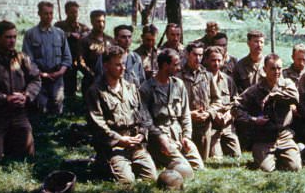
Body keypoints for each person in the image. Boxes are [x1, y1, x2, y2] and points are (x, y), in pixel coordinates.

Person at [86, 46, 157, 184]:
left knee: (151, 178)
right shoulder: (96, 91)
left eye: (123, 64)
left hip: (135, 144)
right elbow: (98, 124)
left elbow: (143, 115)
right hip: (114, 146)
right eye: (118, 65)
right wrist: (120, 140)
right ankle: (103, 164)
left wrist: (142, 134)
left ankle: (129, 165)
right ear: (106, 66)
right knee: (127, 182)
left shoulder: (131, 88)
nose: (123, 68)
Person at [0, 21, 41, 160]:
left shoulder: (22, 58)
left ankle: (11, 143)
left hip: (18, 113)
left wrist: (26, 96)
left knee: (28, 155)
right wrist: (4, 98)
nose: (12, 41)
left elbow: (35, 79)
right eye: (8, 37)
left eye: (14, 37)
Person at [139, 49, 204, 178]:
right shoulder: (146, 89)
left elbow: (185, 113)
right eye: (175, 64)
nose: (179, 68)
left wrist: (186, 136)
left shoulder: (178, 84)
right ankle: (159, 158)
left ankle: (166, 160)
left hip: (178, 134)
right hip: (160, 137)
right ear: (164, 65)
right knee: (185, 170)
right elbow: (146, 120)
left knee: (199, 167)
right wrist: (160, 138)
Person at [234, 54, 301, 172]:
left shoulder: (287, 84)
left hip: (284, 135)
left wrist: (274, 95)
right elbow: (236, 108)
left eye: (279, 68)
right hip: (264, 137)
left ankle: (285, 155)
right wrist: (253, 119)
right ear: (264, 69)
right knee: (266, 169)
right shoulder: (255, 90)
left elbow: (294, 98)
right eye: (273, 68)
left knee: (294, 168)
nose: (277, 72)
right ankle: (262, 158)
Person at [22, 1, 72, 114]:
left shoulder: (59, 33)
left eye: (51, 13)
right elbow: (27, 59)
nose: (49, 16)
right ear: (39, 13)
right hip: (39, 78)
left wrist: (60, 72)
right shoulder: (31, 34)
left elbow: (67, 57)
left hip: (57, 78)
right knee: (41, 109)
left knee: (57, 107)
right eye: (45, 13)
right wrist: (41, 74)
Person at [178, 41, 221, 161]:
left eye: (200, 55)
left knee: (203, 161)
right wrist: (189, 115)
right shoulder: (178, 76)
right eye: (195, 55)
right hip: (185, 127)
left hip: (204, 126)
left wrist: (209, 113)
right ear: (187, 55)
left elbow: (217, 100)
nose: (198, 58)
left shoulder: (207, 76)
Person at [204, 45, 241, 158]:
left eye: (219, 60)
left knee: (236, 155)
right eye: (213, 60)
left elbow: (236, 101)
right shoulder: (202, 79)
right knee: (216, 157)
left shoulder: (227, 80)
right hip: (211, 125)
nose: (216, 64)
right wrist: (214, 114)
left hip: (227, 125)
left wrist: (229, 114)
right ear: (206, 60)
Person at [54, 0, 90, 103]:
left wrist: (84, 35)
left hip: (80, 58)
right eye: (71, 12)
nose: (74, 15)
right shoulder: (60, 25)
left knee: (89, 76)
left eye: (76, 12)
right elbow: (55, 34)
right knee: (68, 81)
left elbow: (90, 34)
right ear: (66, 12)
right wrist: (70, 34)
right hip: (66, 58)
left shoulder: (82, 27)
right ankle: (68, 101)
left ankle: (86, 99)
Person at [79, 9, 114, 95]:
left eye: (103, 21)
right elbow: (80, 62)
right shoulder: (85, 40)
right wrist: (92, 74)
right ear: (92, 22)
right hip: (90, 82)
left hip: (108, 81)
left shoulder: (111, 40)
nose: (101, 24)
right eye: (98, 21)